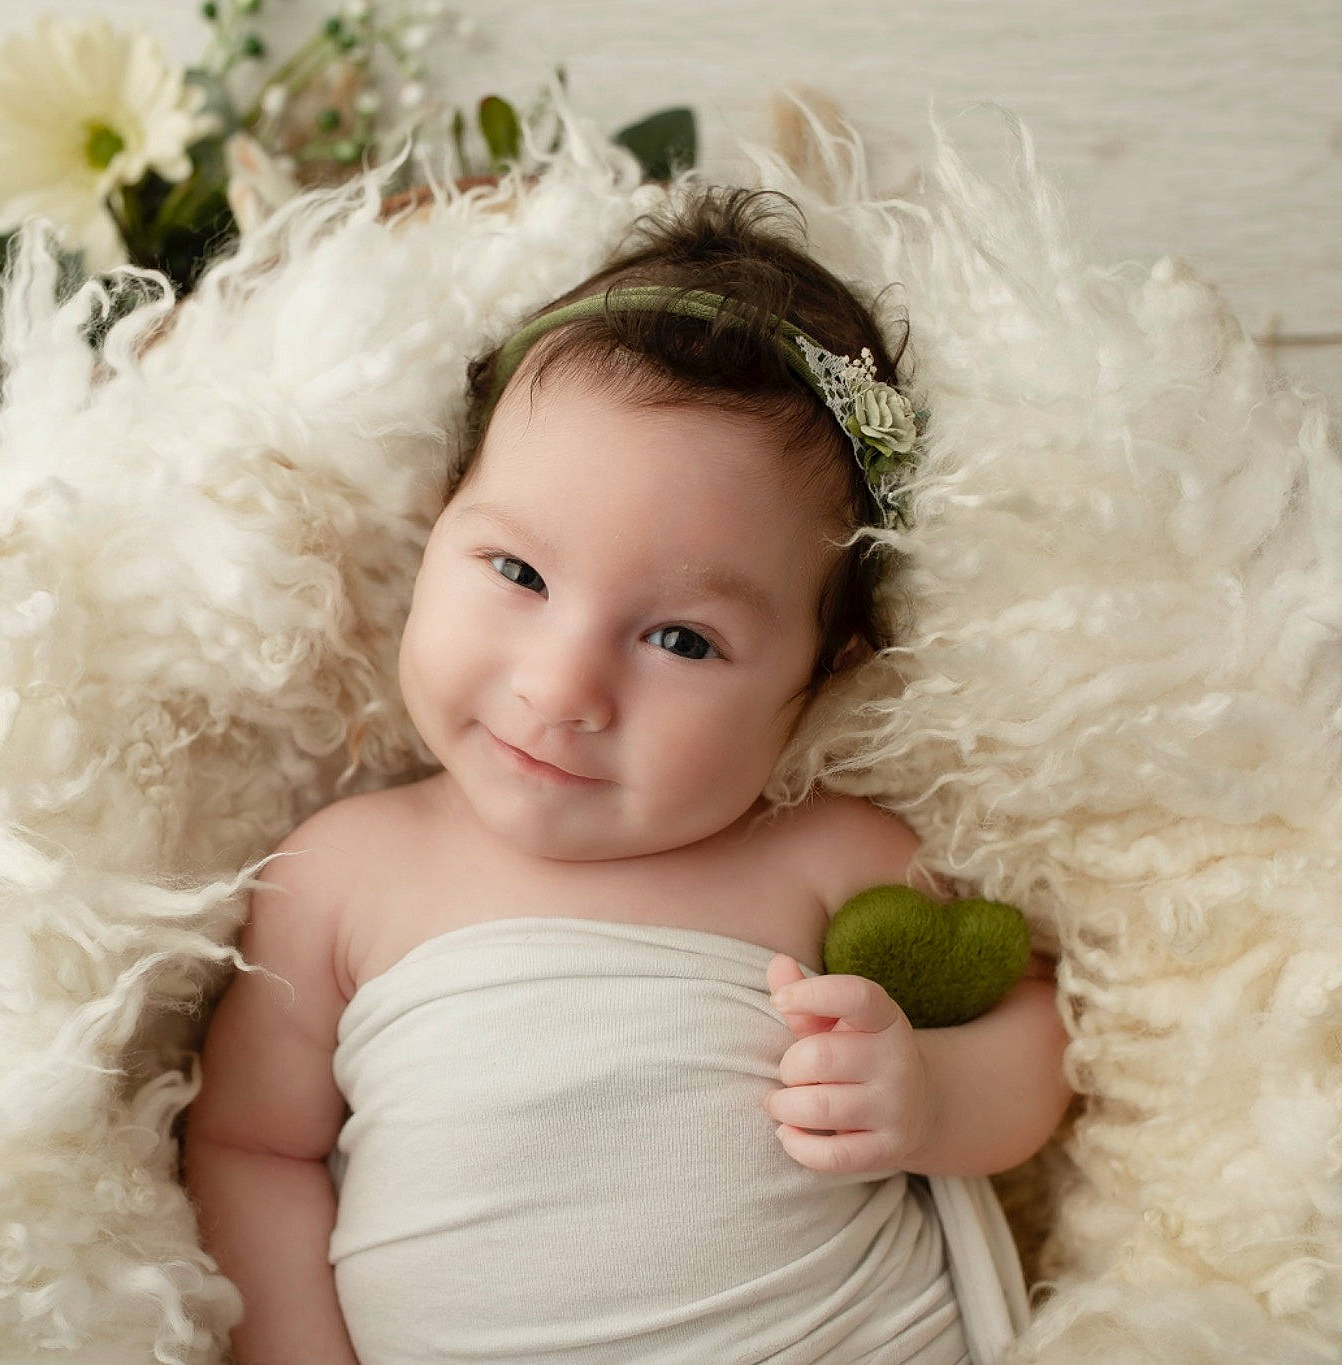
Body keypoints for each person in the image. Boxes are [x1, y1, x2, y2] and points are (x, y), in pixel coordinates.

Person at [181, 183, 1069, 1364]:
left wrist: (929, 1097)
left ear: (820, 672)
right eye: (516, 572)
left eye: (681, 641)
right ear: (435, 527)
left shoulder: (822, 854)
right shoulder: (341, 875)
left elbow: (1040, 1034)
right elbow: (252, 1149)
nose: (561, 688)